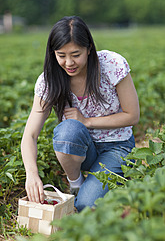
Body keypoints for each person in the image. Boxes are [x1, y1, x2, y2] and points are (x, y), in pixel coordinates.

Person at [21, 16, 140, 212]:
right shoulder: (49, 81)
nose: (69, 62)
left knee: (87, 205)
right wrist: (32, 173)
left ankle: (103, 183)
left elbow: (132, 115)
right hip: (82, 150)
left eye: (76, 54)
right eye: (61, 55)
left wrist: (87, 121)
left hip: (117, 147)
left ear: (89, 48)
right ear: (53, 53)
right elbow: (30, 135)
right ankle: (75, 183)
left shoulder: (111, 65)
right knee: (67, 131)